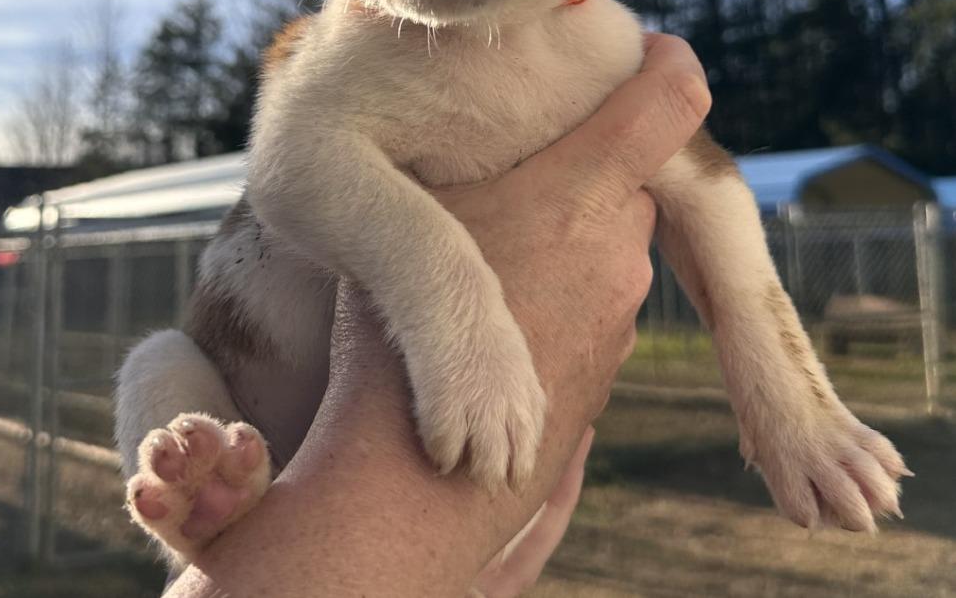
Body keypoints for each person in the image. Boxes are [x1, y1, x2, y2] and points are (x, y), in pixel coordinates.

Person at [165, 33, 711, 598]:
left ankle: (220, 509)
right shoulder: (357, 100)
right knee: (158, 369)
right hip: (279, 448)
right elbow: (295, 162)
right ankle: (208, 508)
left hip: (380, 525)